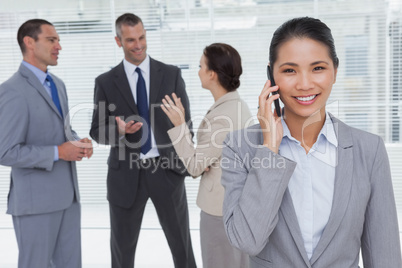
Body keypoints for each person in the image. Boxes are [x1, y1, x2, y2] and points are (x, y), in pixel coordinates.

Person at [221, 17, 402, 268]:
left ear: (335, 72)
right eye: (289, 70)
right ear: (270, 76)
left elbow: (385, 255)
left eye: (318, 68)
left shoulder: (369, 150)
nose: (305, 84)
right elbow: (247, 241)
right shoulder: (239, 146)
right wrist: (269, 150)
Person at [90, 13, 196, 268]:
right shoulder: (105, 82)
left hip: (166, 170)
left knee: (181, 245)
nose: (138, 45)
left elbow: (186, 123)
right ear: (118, 41)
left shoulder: (170, 74)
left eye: (141, 37)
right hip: (125, 175)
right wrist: (119, 131)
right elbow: (96, 130)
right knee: (122, 250)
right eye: (130, 40)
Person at [0, 19, 93, 268]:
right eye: (52, 40)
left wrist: (77, 142)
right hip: (35, 204)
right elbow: (6, 152)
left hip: (68, 198)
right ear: (29, 42)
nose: (59, 46)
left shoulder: (58, 85)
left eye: (58, 40)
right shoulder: (12, 91)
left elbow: (61, 130)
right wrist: (58, 152)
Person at [161, 43, 252, 268]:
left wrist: (179, 124)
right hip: (236, 207)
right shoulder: (238, 107)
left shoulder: (223, 117)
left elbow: (193, 165)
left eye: (201, 66)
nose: (198, 70)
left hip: (219, 212)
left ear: (212, 74)